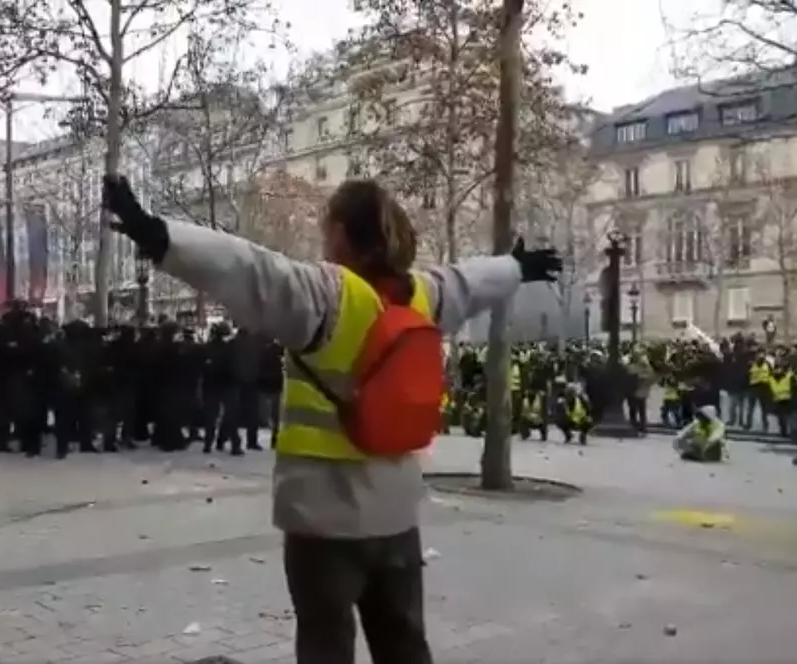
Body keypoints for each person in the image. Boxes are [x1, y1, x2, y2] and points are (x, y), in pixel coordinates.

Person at [102, 175, 561, 664]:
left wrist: (157, 234)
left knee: (325, 647)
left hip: (323, 520)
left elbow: (248, 269)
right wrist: (517, 266)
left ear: (340, 233)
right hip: (396, 516)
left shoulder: (326, 295)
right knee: (404, 645)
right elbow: (469, 281)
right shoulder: (423, 296)